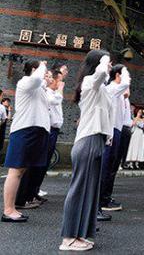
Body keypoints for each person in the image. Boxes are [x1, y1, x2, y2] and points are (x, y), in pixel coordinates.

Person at [60, 50, 131, 251]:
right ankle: (68, 238)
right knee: (78, 191)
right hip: (88, 141)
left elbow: (121, 85)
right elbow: (101, 73)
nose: (109, 67)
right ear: (98, 63)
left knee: (89, 192)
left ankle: (80, 234)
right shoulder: (90, 83)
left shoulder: (102, 90)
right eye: (107, 63)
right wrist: (105, 59)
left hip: (97, 141)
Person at [2, 60, 49, 223]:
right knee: (15, 171)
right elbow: (36, 79)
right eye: (44, 70)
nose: (46, 73)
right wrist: (42, 65)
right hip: (24, 131)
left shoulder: (39, 87)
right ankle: (8, 210)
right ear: (35, 70)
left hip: (34, 131)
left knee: (21, 171)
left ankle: (12, 208)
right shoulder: (25, 82)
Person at [23, 66, 65, 207]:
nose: (57, 82)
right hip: (46, 130)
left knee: (43, 164)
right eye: (56, 79)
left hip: (52, 130)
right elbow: (55, 101)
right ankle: (29, 194)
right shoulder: (46, 92)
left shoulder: (50, 92)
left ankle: (34, 192)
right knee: (38, 165)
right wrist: (60, 89)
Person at [99, 65, 129, 214]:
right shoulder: (112, 89)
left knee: (112, 167)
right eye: (124, 73)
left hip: (117, 130)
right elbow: (125, 83)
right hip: (110, 131)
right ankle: (101, 200)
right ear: (118, 75)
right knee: (106, 167)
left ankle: (106, 197)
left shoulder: (119, 93)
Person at [119, 100, 133, 169]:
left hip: (128, 128)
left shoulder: (127, 101)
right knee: (120, 147)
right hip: (121, 126)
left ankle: (122, 163)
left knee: (125, 148)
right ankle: (119, 163)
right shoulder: (121, 99)